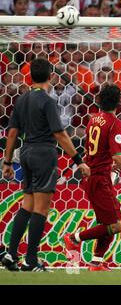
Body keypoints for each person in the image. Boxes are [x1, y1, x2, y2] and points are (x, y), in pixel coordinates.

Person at [1, 58, 90, 272]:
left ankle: (11, 254)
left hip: (26, 153)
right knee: (41, 208)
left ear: (29, 76)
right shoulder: (48, 102)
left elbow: (12, 132)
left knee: (27, 204)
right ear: (51, 76)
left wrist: (7, 160)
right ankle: (31, 260)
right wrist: (78, 160)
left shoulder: (22, 100)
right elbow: (59, 134)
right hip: (44, 154)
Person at [63, 84, 121, 271]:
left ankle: (96, 263)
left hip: (93, 175)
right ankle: (74, 238)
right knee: (116, 225)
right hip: (100, 179)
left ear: (99, 101)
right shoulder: (114, 122)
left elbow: (98, 151)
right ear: (119, 103)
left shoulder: (94, 119)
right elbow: (118, 155)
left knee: (106, 223)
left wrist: (110, 163)